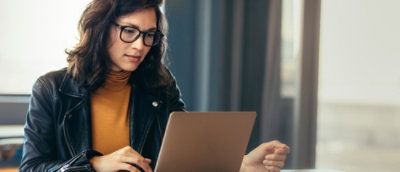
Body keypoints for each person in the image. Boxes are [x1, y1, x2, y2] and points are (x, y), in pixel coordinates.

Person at [19, 0, 290, 171]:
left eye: (149, 35)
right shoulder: (51, 89)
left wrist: (240, 164)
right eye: (129, 31)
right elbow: (32, 167)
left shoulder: (159, 85)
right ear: (101, 29)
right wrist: (94, 165)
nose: (140, 45)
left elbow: (186, 156)